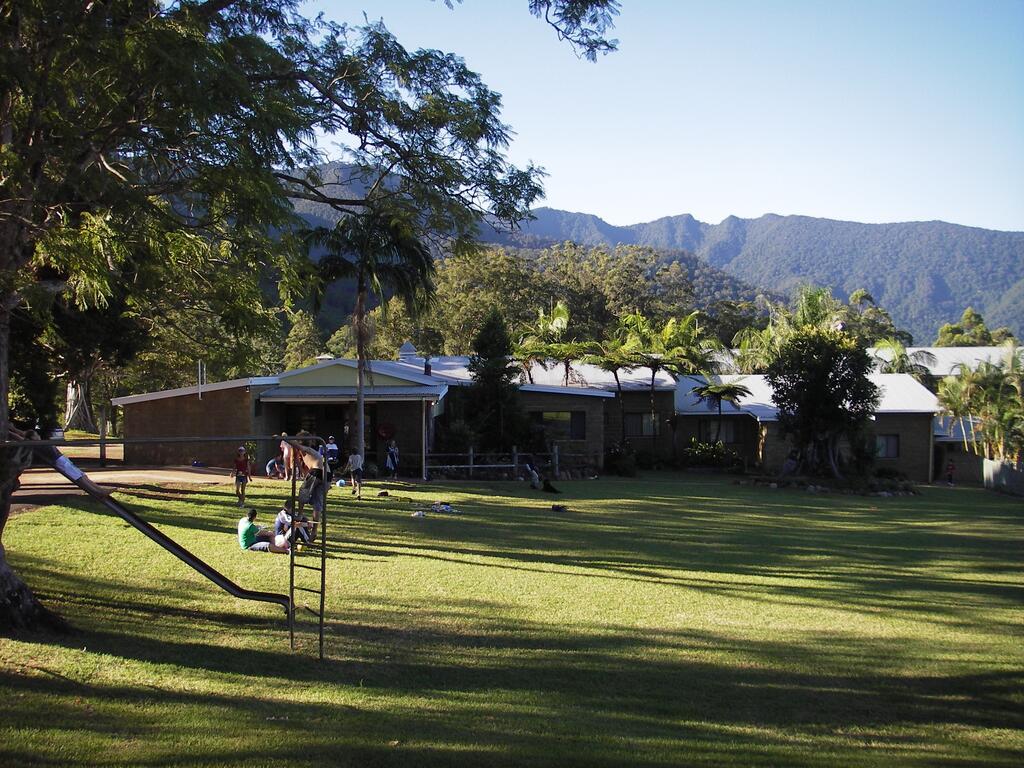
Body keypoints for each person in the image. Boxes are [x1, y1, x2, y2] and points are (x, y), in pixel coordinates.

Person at [8, 426, 112, 498]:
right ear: (32, 438)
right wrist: (9, 431)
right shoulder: (33, 444)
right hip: (59, 462)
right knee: (79, 478)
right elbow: (20, 437)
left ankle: (99, 490)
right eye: (36, 435)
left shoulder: (37, 442)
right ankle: (97, 492)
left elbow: (22, 434)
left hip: (62, 459)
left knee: (82, 475)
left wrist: (12, 428)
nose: (38, 436)